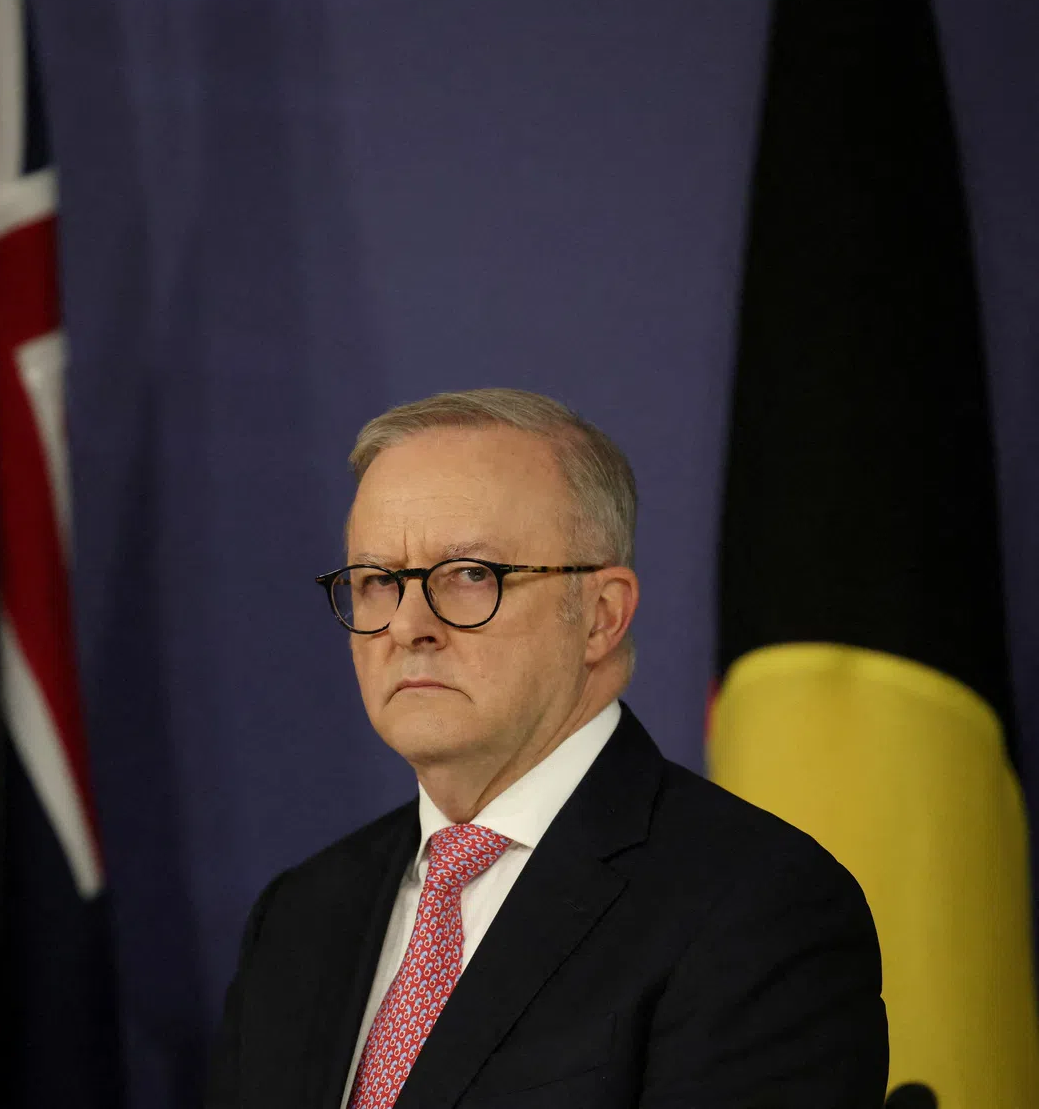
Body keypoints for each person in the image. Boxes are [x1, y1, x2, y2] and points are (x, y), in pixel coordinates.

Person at [205, 388, 888, 1109]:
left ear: (600, 617)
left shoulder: (756, 908)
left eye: (470, 575)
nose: (408, 626)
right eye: (377, 582)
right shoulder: (301, 916)